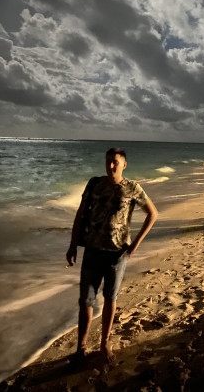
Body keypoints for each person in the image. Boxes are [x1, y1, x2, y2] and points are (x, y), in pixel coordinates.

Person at [66, 147, 158, 364]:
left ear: (124, 165)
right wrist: (72, 245)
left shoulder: (132, 188)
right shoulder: (94, 184)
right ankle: (81, 349)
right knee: (86, 300)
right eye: (107, 161)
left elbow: (152, 214)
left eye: (115, 162)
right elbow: (80, 213)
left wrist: (135, 244)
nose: (110, 166)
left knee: (110, 298)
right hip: (92, 251)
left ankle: (104, 344)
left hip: (117, 254)